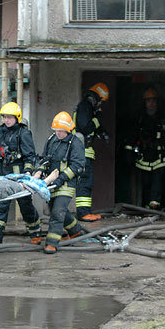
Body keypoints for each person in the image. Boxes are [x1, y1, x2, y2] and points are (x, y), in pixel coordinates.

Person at [0, 102, 41, 245]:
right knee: (2, 202)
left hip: (19, 175)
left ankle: (35, 232)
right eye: (5, 117)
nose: (7, 120)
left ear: (17, 118)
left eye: (10, 117)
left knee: (25, 204)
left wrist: (28, 172)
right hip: (3, 172)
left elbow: (30, 156)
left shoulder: (23, 133)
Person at [34, 112, 85, 254]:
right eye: (56, 130)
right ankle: (75, 232)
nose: (58, 133)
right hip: (51, 184)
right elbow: (44, 158)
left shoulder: (75, 144)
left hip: (66, 185)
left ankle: (52, 243)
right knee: (57, 210)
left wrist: (61, 179)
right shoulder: (52, 140)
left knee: (57, 212)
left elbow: (77, 166)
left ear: (68, 130)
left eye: (61, 130)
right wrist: (39, 171)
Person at [124, 88, 165, 210]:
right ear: (144, 103)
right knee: (146, 183)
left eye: (153, 100)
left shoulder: (163, 118)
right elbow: (131, 137)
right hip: (144, 157)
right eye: (148, 101)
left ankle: (154, 207)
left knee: (158, 181)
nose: (151, 103)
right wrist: (129, 154)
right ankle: (146, 207)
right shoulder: (140, 119)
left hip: (161, 156)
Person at [73, 82, 109, 222]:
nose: (100, 104)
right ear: (96, 97)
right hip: (82, 153)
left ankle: (84, 212)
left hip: (84, 151)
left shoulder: (86, 107)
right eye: (100, 100)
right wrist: (97, 120)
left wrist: (101, 131)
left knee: (86, 181)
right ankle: (83, 213)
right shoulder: (85, 106)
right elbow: (85, 127)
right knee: (85, 182)